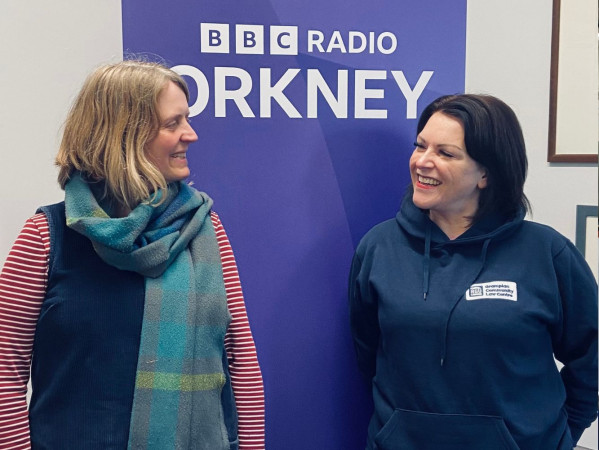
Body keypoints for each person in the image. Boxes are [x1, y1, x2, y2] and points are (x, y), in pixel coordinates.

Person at [0, 60, 265, 449]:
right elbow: (5, 372)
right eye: (172, 123)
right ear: (122, 135)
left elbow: (240, 358)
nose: (190, 134)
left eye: (186, 120)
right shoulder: (46, 238)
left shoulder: (204, 231)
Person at [349, 94, 598, 449]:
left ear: (486, 173)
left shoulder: (548, 254)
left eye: (446, 153)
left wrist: (561, 435)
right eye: (420, 146)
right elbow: (368, 354)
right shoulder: (379, 247)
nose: (423, 162)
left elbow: (591, 359)